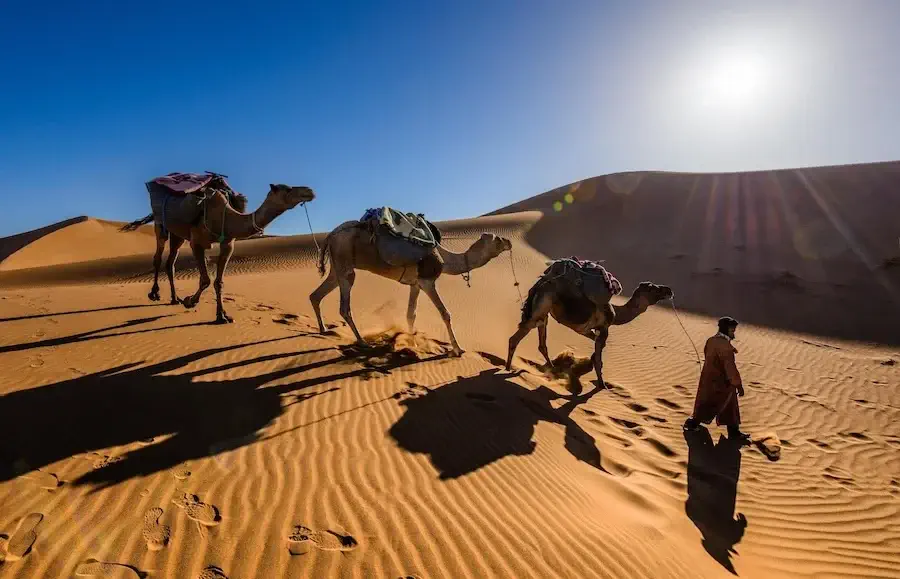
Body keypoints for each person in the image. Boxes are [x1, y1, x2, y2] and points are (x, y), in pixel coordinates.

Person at [683, 316, 749, 441]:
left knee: (729, 406)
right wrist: (738, 384)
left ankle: (734, 432)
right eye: (732, 330)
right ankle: (692, 424)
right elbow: (730, 367)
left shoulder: (711, 340)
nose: (734, 333)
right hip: (721, 382)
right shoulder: (724, 346)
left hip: (709, 378)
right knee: (711, 404)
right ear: (726, 330)